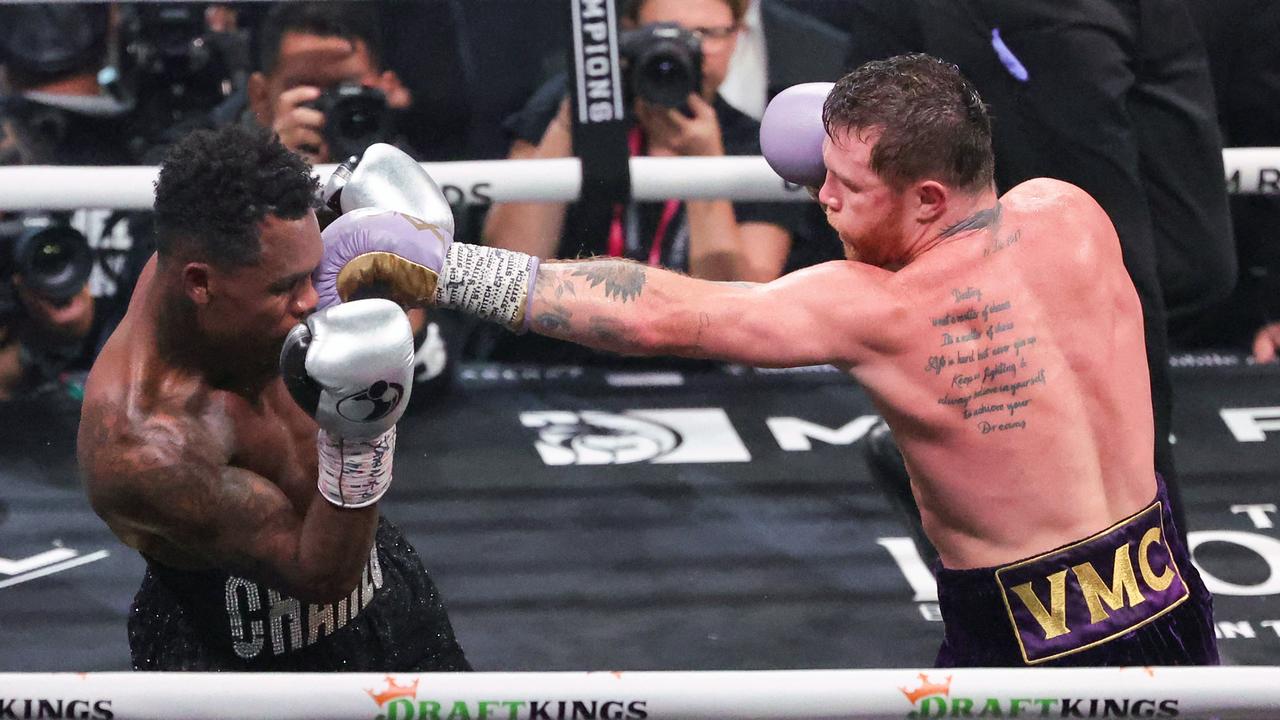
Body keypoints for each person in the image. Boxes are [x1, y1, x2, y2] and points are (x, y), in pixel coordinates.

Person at [321, 54, 1218, 667]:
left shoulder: (883, 310)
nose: (818, 198)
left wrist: (454, 268)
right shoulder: (1072, 212)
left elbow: (671, 316)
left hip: (1033, 641)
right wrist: (868, 141)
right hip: (1171, 590)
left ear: (930, 194)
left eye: (845, 187)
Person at [75, 124, 469, 671]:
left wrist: (350, 205)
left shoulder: (233, 255)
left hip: (382, 587)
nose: (312, 300)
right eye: (286, 287)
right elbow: (319, 574)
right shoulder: (143, 445)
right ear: (199, 284)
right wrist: (363, 433)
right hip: (238, 656)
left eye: (311, 272)